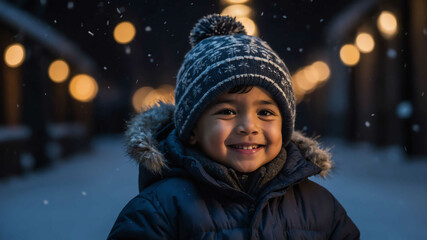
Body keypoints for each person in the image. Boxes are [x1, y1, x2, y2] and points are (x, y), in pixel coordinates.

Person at [108, 14, 360, 239]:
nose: (249, 126)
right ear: (193, 129)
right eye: (227, 111)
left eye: (265, 112)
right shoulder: (158, 211)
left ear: (284, 127)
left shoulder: (322, 208)